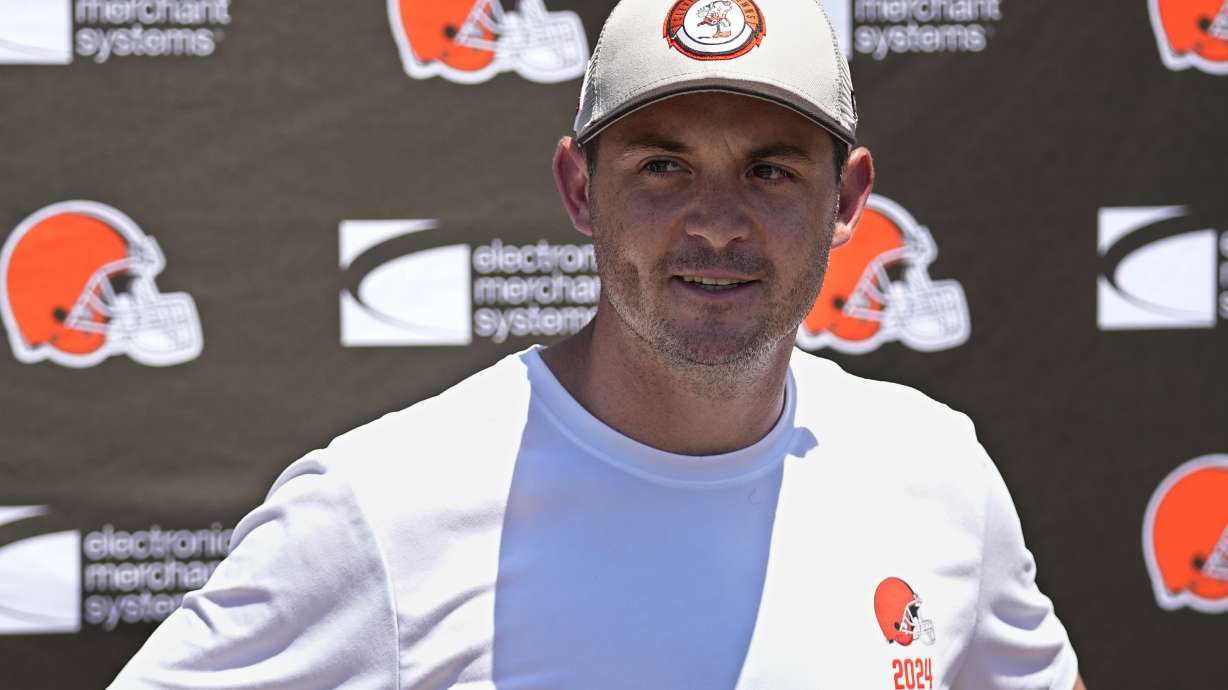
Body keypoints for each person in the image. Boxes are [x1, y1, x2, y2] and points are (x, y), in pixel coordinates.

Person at [111, 0, 1087, 688]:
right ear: (581, 191)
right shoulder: (381, 511)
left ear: (849, 202)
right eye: (663, 166)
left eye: (770, 171)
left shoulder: (935, 473)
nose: (715, 223)